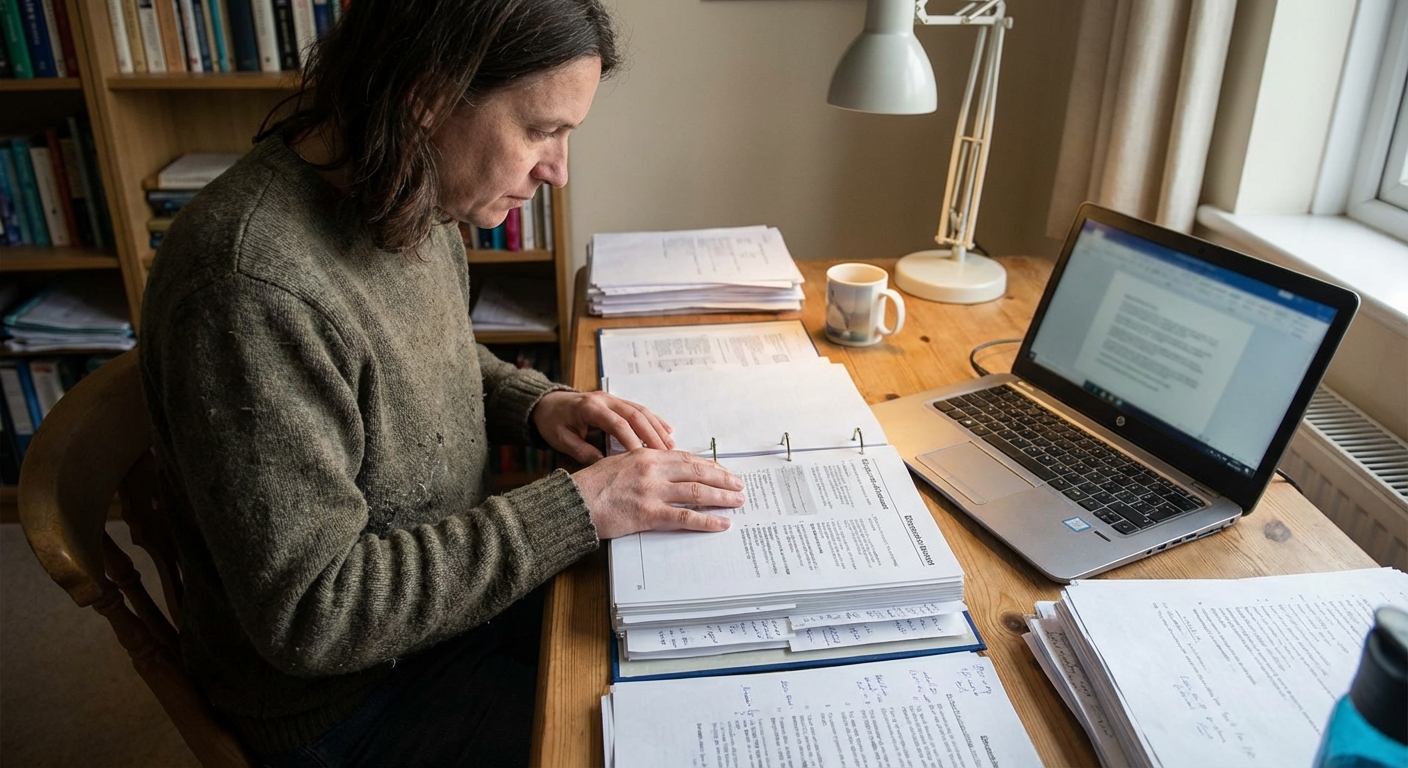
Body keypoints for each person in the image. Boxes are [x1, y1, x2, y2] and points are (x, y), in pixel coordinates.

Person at [137, 1, 746, 764]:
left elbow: (423, 365)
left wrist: (541, 404)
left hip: (449, 607)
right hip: (350, 699)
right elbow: (312, 613)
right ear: (425, 99)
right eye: (541, 130)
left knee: (704, 649)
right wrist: (578, 507)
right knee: (676, 735)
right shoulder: (250, 289)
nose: (558, 171)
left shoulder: (406, 188)